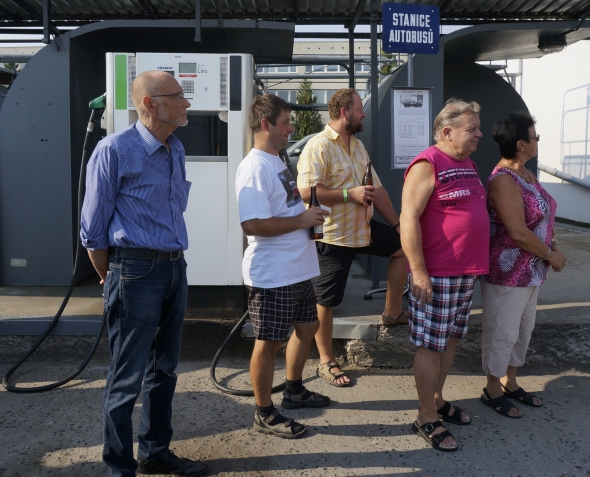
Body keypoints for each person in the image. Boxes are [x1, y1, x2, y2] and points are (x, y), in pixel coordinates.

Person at [80, 71, 208, 476]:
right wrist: (113, 274)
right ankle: (120, 468)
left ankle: (155, 453)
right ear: (150, 104)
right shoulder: (114, 150)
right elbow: (93, 230)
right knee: (126, 376)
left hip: (173, 266)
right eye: (179, 96)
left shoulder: (176, 149)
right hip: (133, 268)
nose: (187, 104)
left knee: (165, 369)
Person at [297, 88, 408, 387]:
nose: (364, 113)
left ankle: (392, 311)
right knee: (326, 301)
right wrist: (349, 194)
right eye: (360, 109)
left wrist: (398, 225)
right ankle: (326, 360)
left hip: (364, 229)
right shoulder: (318, 146)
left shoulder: (358, 146)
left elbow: (377, 190)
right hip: (334, 237)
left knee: (404, 250)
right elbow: (306, 193)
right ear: (345, 112)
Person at [235, 94, 331, 439]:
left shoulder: (276, 160)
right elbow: (253, 224)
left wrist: (308, 218)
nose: (292, 128)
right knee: (268, 342)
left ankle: (293, 390)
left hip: (297, 268)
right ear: (266, 125)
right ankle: (264, 412)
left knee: (308, 326)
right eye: (286, 122)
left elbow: (286, 208)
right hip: (274, 273)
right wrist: (302, 219)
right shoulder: (254, 167)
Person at [400, 98, 489, 452]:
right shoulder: (427, 163)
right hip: (436, 274)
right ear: (447, 132)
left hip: (465, 273)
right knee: (431, 345)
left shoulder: (466, 163)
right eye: (472, 129)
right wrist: (418, 271)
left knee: (451, 340)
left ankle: (436, 400)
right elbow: (408, 219)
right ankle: (425, 415)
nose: (480, 134)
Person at [479, 111, 566, 418]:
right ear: (520, 144)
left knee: (522, 330)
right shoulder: (503, 180)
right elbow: (517, 231)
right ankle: (491, 388)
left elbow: (542, 217)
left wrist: (551, 246)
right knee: (502, 330)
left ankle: (509, 381)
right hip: (508, 271)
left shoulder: (526, 174)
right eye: (534, 136)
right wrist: (550, 255)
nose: (537, 140)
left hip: (531, 271)